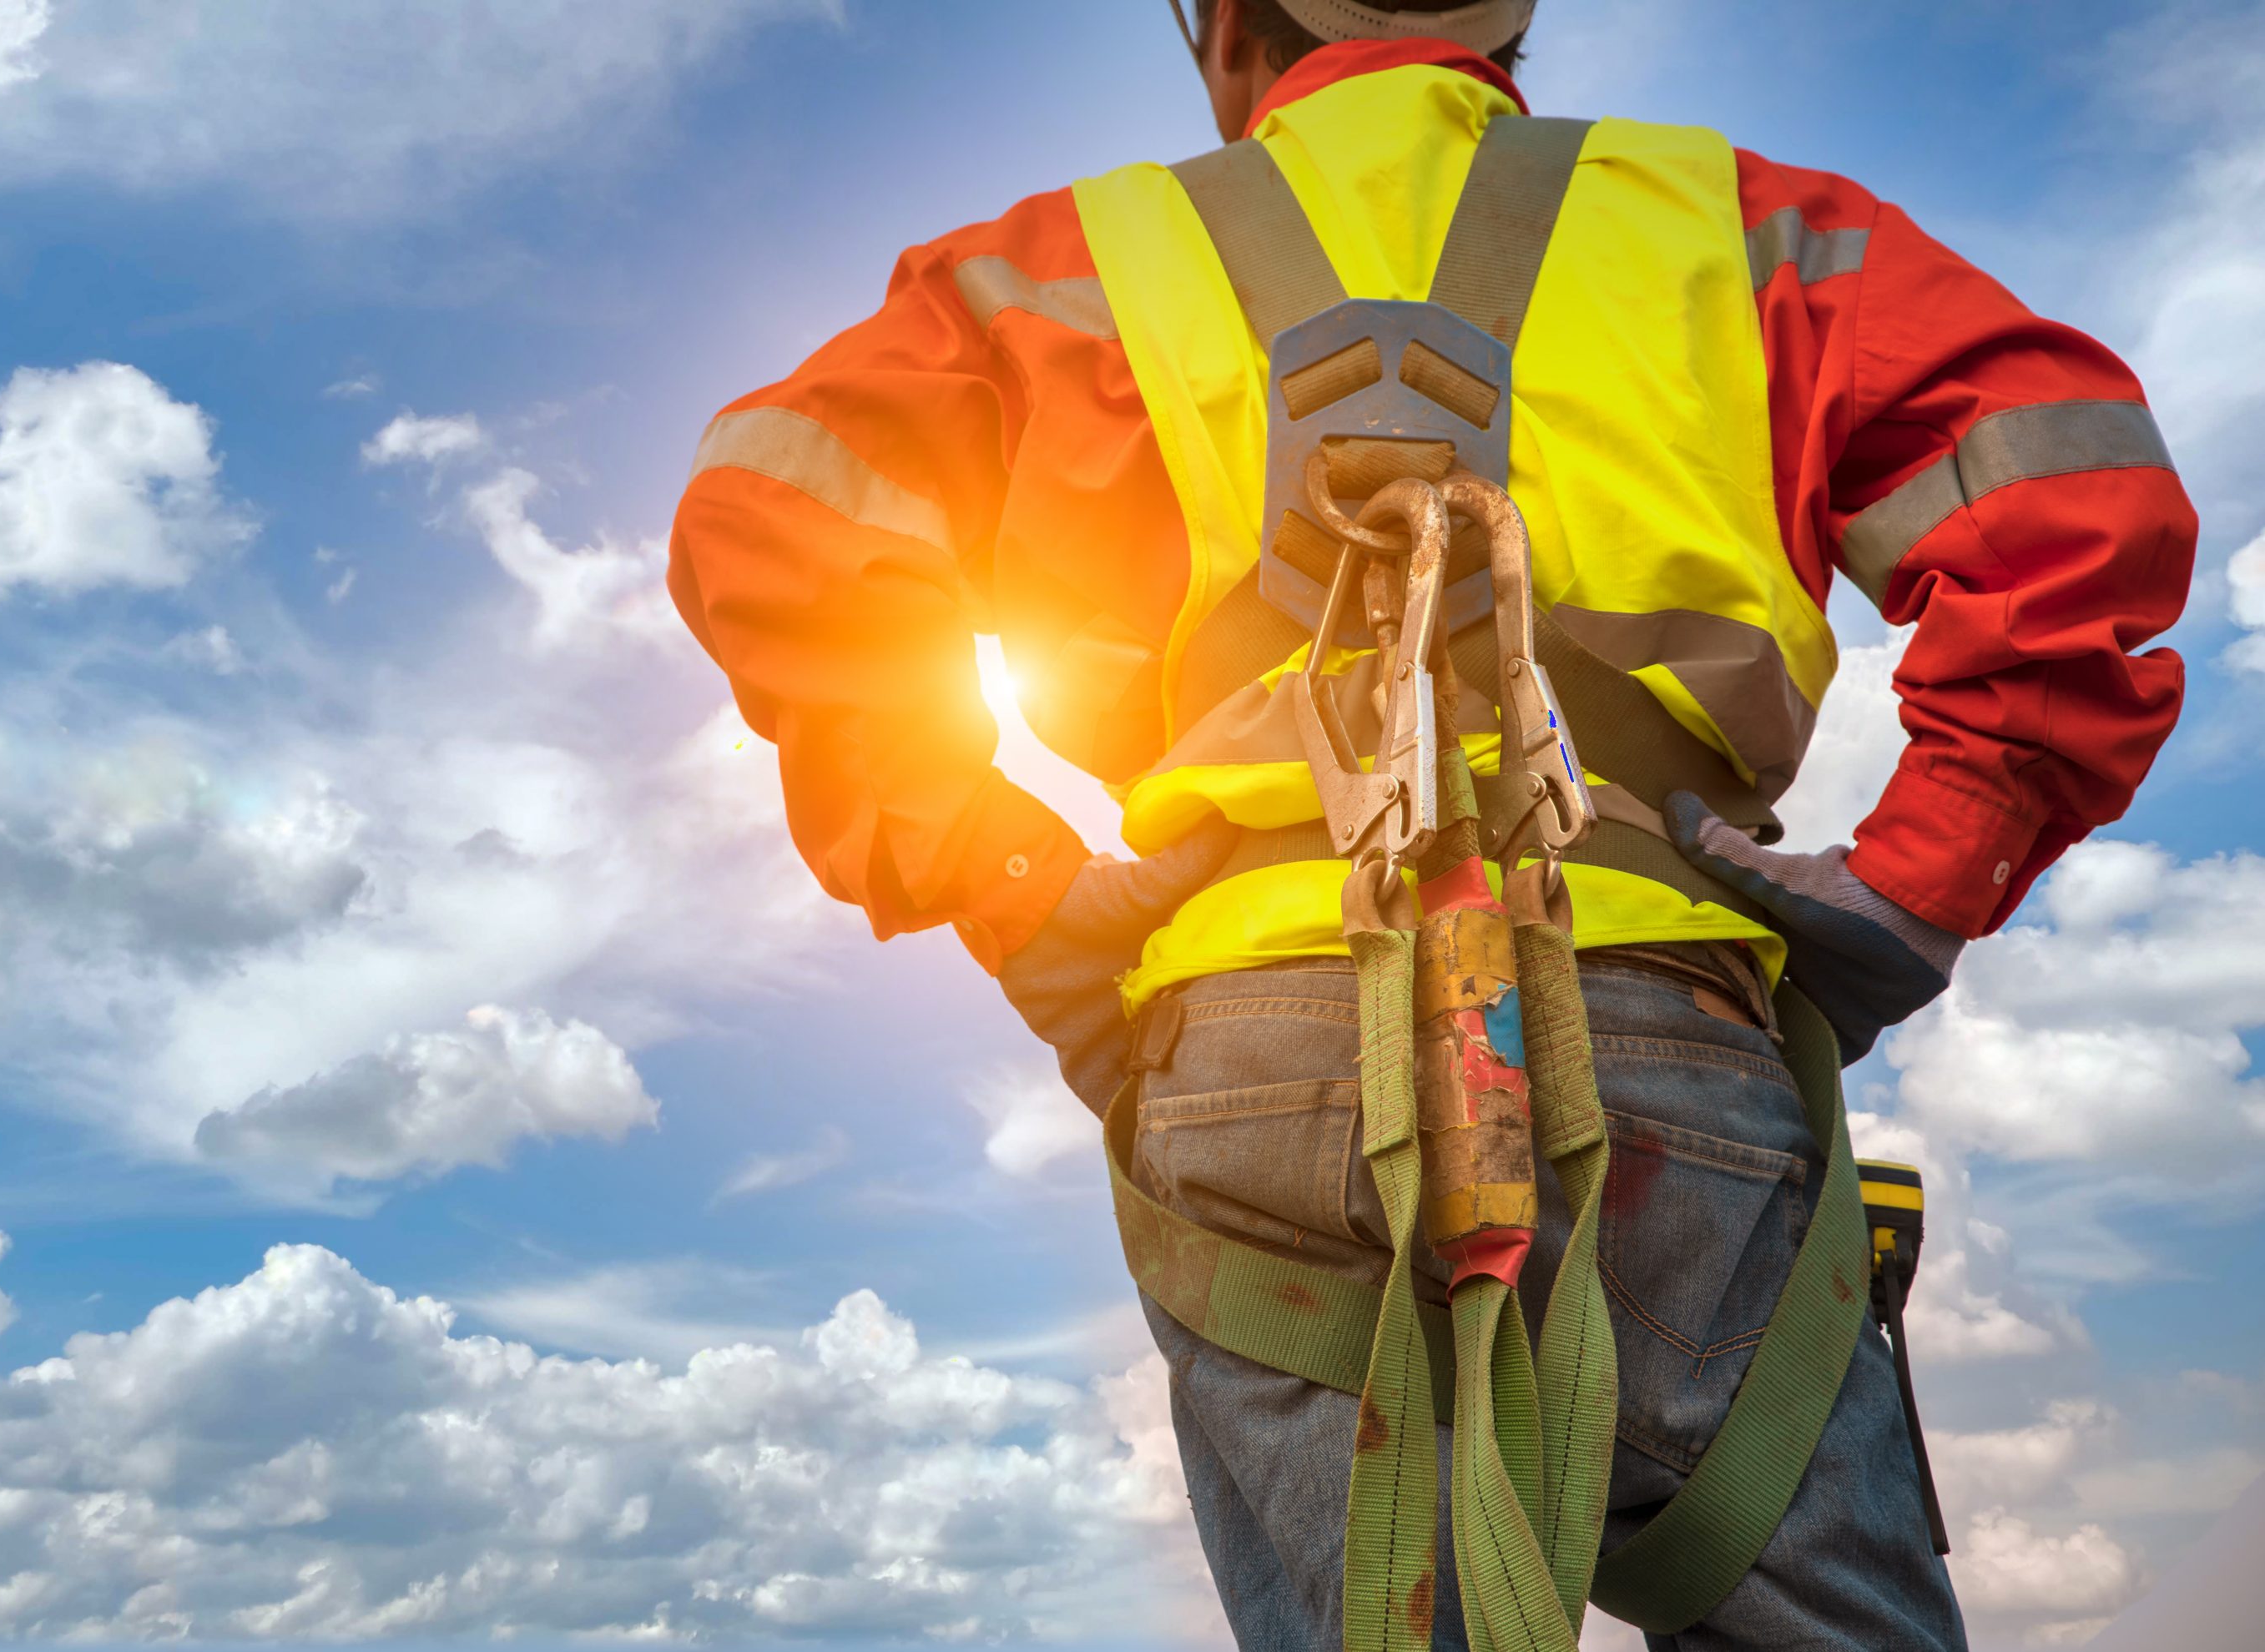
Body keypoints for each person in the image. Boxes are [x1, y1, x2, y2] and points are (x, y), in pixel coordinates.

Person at [667, 2, 2197, 1645]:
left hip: (1250, 1045)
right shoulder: (1741, 229)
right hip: (1652, 1014)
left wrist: (1018, 891)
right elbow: (2065, 503)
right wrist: (1921, 871)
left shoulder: (1062, 266)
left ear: (1230, 24)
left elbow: (771, 519)